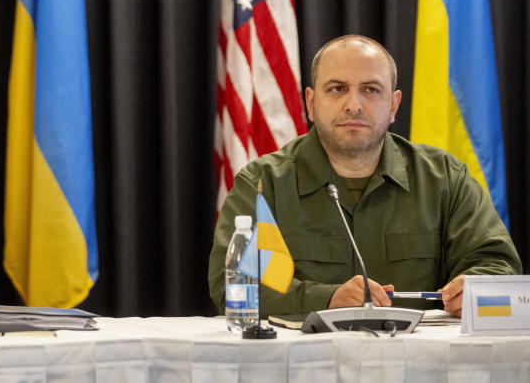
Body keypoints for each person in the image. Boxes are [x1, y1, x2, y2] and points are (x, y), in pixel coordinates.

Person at [208, 35, 520, 317]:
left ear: (394, 105)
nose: (354, 105)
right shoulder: (263, 185)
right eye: (337, 89)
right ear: (311, 103)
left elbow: (498, 265)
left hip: (419, 368)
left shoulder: (444, 179)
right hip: (304, 371)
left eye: (371, 90)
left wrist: (476, 288)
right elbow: (232, 289)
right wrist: (327, 298)